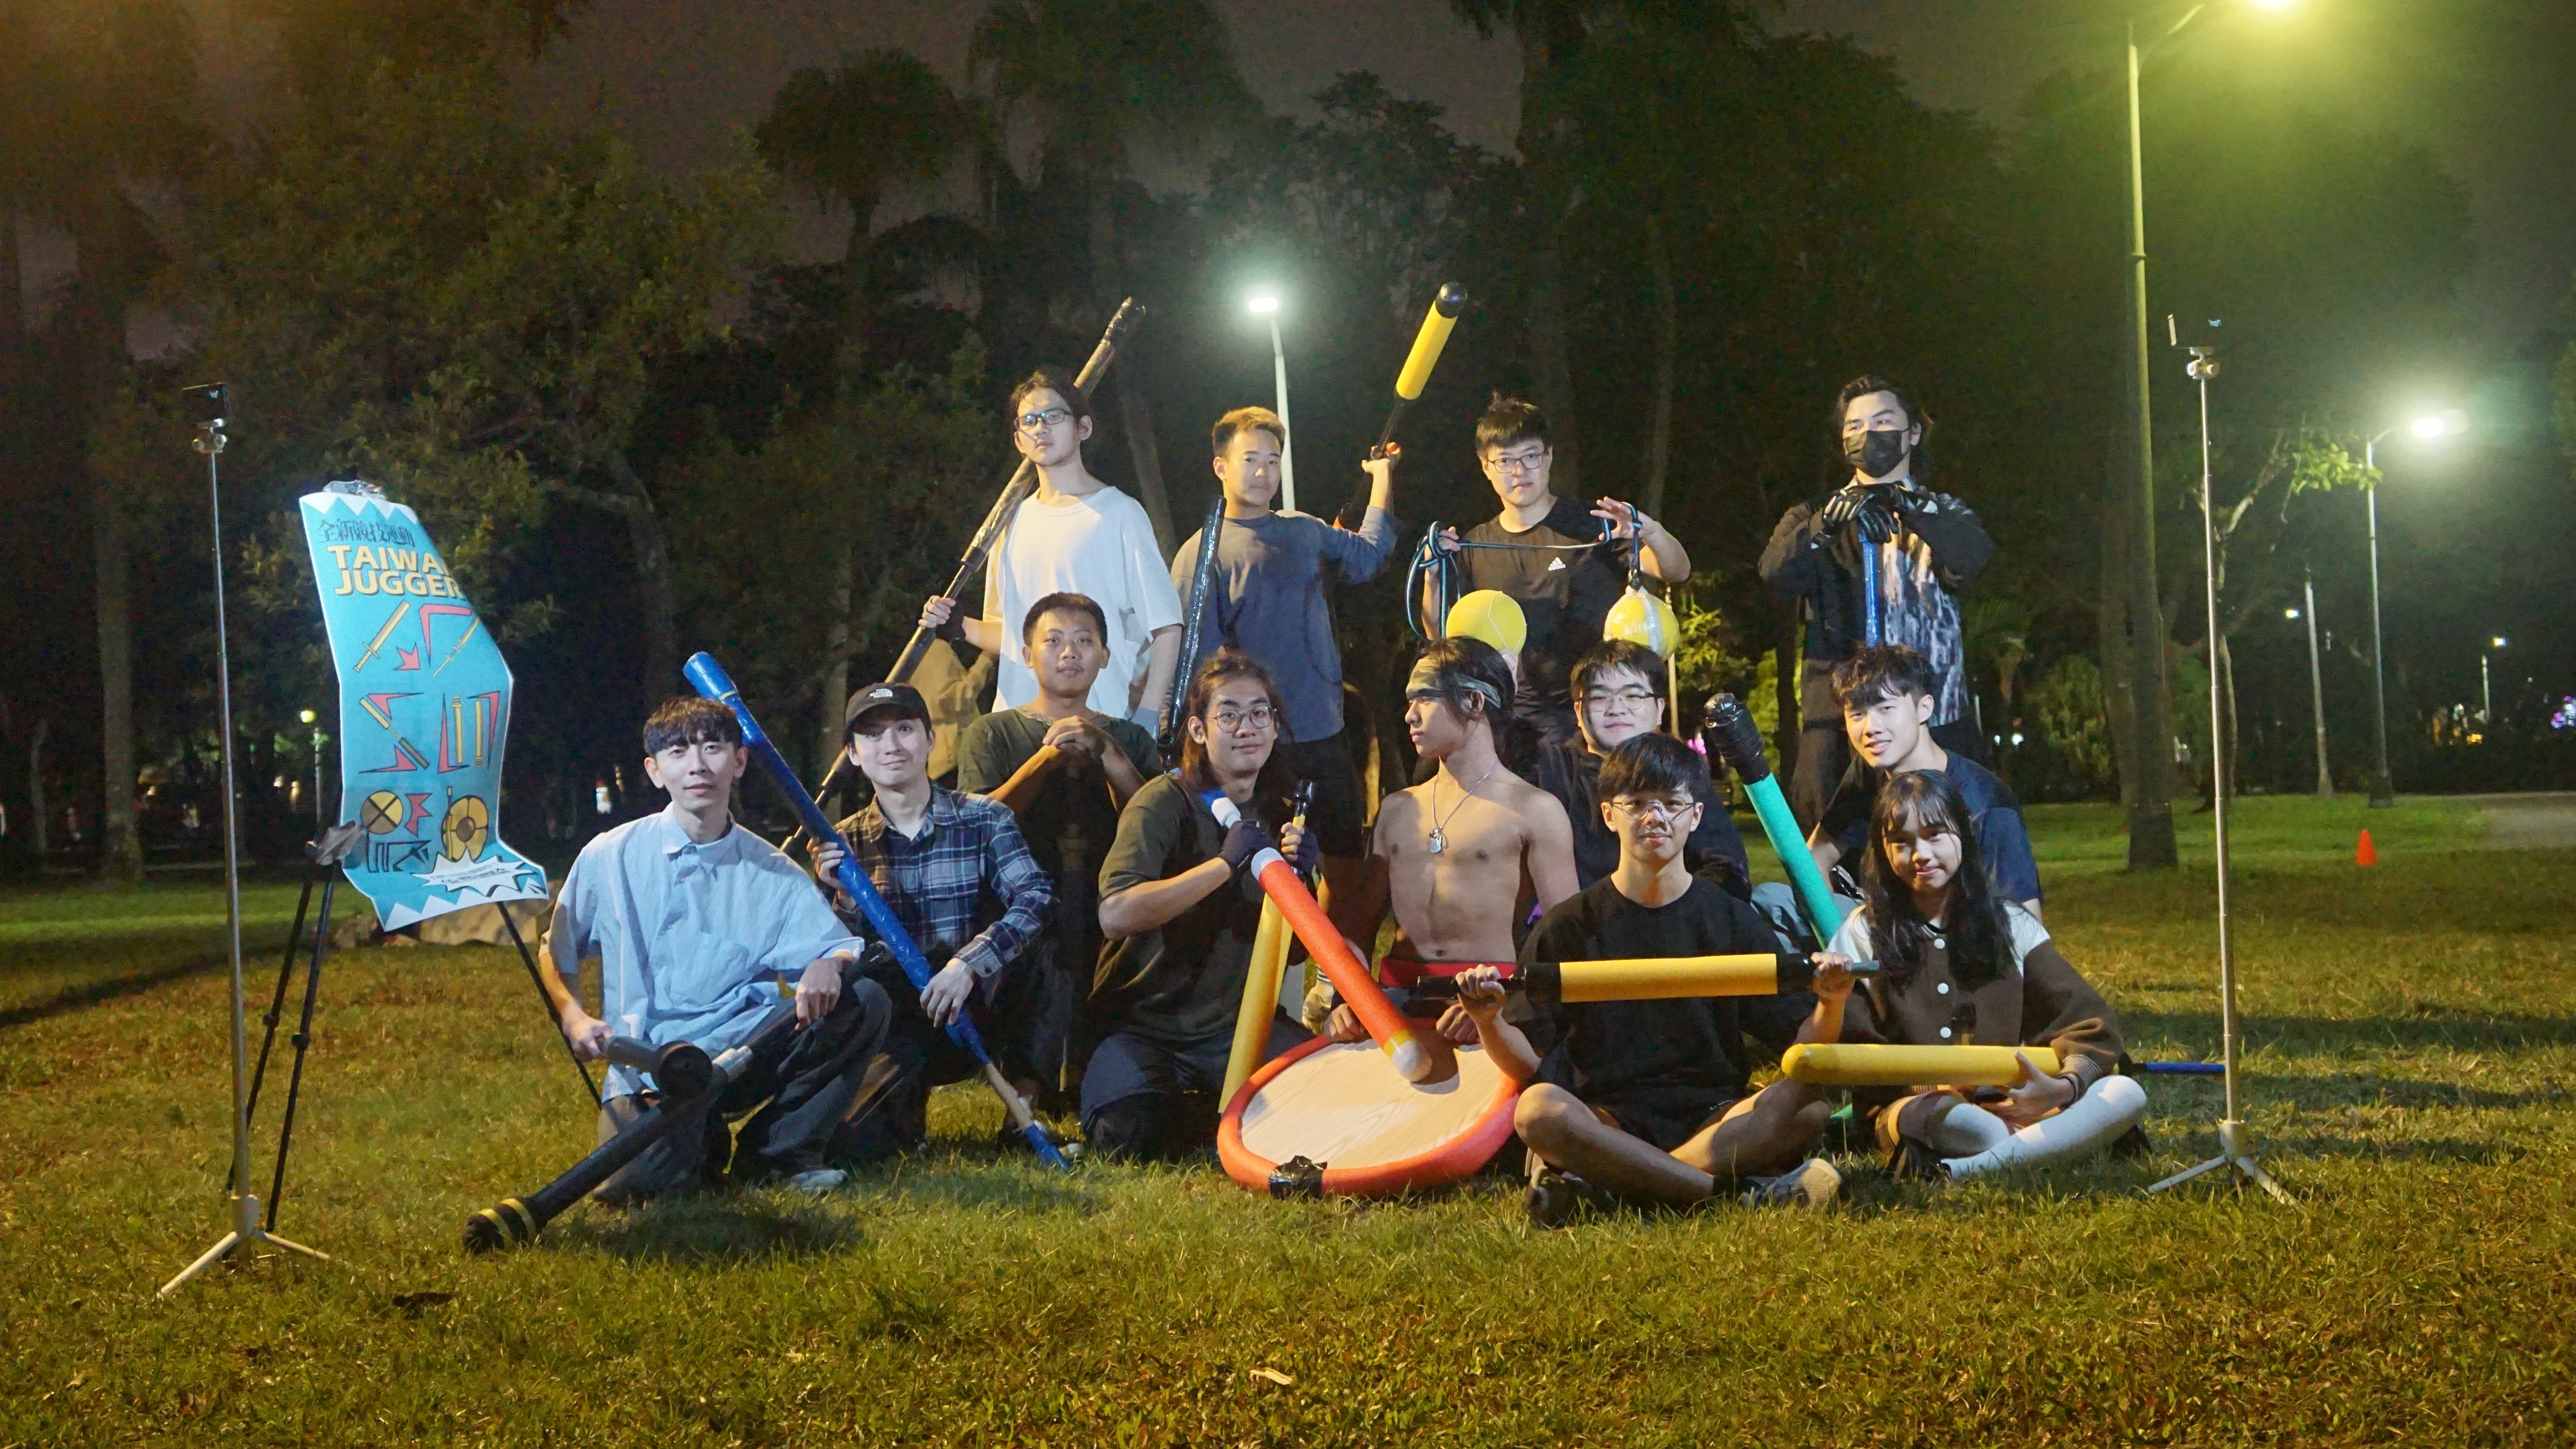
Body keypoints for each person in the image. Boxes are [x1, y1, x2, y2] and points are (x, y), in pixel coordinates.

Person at [1449, 734, 1843, 1228]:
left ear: (1696, 816)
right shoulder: (1569, 924)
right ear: (1609, 815)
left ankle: (1620, 1182)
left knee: (1807, 1105)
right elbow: (1528, 1062)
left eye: (1672, 804)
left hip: (1713, 1115)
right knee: (1538, 1111)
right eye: (1636, 804)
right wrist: (1488, 1021)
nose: (1655, 817)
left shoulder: (1730, 919)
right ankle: (1726, 1192)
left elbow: (1800, 1043)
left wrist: (1831, 1002)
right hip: (1609, 1117)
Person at [540, 697, 892, 1201]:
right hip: (654, 1066)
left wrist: (826, 963)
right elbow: (556, 952)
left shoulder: (770, 869)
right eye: (678, 752)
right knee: (637, 1187)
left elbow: (838, 947)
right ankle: (697, 1138)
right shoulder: (609, 855)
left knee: (864, 999)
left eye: (713, 748)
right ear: (655, 771)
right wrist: (574, 1017)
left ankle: (777, 1154)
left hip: (741, 1054)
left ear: (740, 761)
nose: (698, 765)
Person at [1810, 770, 2145, 1179]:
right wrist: (1834, 999)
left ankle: (1959, 1171)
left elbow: (2085, 1019)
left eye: (1936, 835)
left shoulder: (2010, 923)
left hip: (2011, 1098)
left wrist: (2063, 1088)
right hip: (1925, 1109)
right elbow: (1857, 1057)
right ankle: (2047, 1145)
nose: (1921, 855)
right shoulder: (1862, 933)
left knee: (2125, 1092)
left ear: (1964, 835)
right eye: (1902, 842)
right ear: (1882, 850)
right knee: (1971, 1125)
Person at [1086, 647, 1318, 1160]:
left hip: (1239, 1029)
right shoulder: (1164, 801)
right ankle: (1216, 1117)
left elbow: (1298, 955)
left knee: (1325, 1098)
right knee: (1129, 1134)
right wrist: (1222, 866)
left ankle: (1221, 1112)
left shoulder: (1282, 817)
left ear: (1276, 728)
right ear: (1197, 730)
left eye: (1260, 713)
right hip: (1146, 1027)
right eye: (1229, 715)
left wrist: (1302, 884)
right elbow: (1115, 915)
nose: (1247, 727)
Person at [811, 682, 1055, 1161]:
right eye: (874, 735)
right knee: (856, 1148)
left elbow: (1036, 896)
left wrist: (968, 964)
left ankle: (1022, 1106)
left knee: (1046, 950)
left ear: (930, 740)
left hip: (981, 1003)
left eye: (905, 729)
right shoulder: (842, 844)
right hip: (901, 1015)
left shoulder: (986, 818)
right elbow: (835, 951)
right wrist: (840, 897)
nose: (891, 745)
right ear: (854, 755)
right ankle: (903, 1102)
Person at [1167, 407, 1399, 906]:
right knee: (1272, 872)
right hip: (1259, 747)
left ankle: (1336, 975)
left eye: (1273, 461)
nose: (1262, 472)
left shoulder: (1305, 530)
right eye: (1250, 459)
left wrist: (1381, 480)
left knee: (1344, 859)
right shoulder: (1201, 555)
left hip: (1325, 731)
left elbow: (1368, 555)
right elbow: (1197, 671)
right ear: (1221, 467)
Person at [952, 593, 1162, 1111]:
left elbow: (1155, 818)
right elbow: (978, 820)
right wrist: (1044, 760)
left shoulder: (1129, 737)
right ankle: (1028, 1086)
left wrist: (1107, 752)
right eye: (1054, 641)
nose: (1070, 652)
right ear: (1026, 655)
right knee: (1041, 953)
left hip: (1106, 897)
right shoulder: (993, 732)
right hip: (1018, 905)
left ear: (1106, 657)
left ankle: (1101, 1076)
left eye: (1085, 641)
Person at [1761, 376, 1994, 826]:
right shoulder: (1813, 514)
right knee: (1830, 854)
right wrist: (1826, 525)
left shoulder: (1942, 510)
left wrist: (1909, 507)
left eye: (1883, 421)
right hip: (1836, 719)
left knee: (1952, 846)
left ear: (1913, 433)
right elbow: (1776, 575)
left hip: (1937, 714)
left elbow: (1973, 557)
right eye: (1854, 426)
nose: (1867, 434)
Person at [1325, 636, 1578, 1037]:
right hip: (1395, 1001)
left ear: (1475, 703)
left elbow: (1567, 941)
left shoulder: (1535, 810)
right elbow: (1361, 925)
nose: (1409, 716)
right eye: (1410, 701)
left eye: (1425, 698)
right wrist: (1346, 999)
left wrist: (1505, 1012)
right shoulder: (1397, 809)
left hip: (1492, 1000)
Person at [919, 367, 1184, 732]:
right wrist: (959, 626)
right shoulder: (1009, 521)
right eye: (1029, 420)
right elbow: (1009, 633)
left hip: (1097, 721)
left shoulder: (1120, 514)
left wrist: (1150, 717)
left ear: (1083, 428)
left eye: (1054, 416)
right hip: (1018, 721)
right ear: (1018, 440)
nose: (1041, 427)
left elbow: (1167, 627)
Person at [1441, 396, 1690, 746]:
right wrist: (1434, 572)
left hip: (1598, 710)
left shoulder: (1592, 524)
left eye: (1530, 456)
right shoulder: (1475, 545)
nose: (1519, 472)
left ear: (1549, 457)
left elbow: (1676, 570)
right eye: (1505, 461)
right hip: (1518, 719)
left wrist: (1651, 532)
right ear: (1485, 467)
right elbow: (1439, 629)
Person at [1809, 644, 2041, 916]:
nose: (1871, 729)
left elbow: (2027, 923)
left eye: (1886, 708)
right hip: (1890, 932)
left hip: (1963, 943)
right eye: (1858, 714)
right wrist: (1838, 939)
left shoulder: (1986, 804)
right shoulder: (1870, 770)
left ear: (1924, 709)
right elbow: (1815, 858)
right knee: (1774, 900)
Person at [1529, 638, 1750, 894]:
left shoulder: (1681, 774)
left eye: (1633, 695)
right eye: (1600, 697)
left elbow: (1726, 868)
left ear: (1659, 709)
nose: (1617, 708)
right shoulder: (1552, 770)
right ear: (1579, 712)